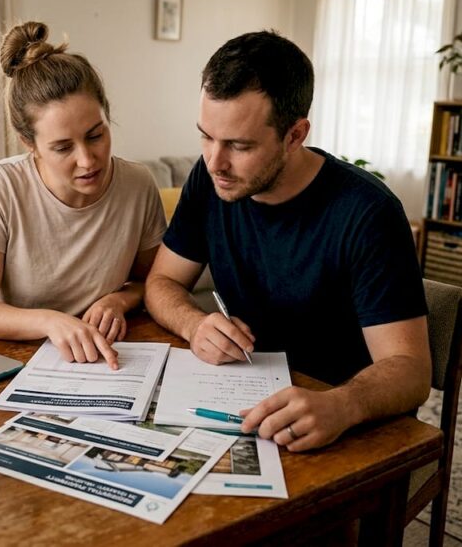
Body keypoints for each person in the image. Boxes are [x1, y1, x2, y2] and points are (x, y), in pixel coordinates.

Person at [144, 30, 431, 452]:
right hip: (246, 400)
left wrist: (342, 404)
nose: (214, 161)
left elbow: (410, 370)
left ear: (295, 135)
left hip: (341, 419)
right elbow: (161, 282)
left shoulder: (368, 214)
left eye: (239, 145)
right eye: (206, 135)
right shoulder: (210, 183)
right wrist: (194, 324)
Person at [0, 22, 166, 370]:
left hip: (103, 360)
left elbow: (151, 282)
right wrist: (50, 322)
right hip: (12, 363)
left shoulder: (138, 184)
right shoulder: (0, 186)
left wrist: (118, 301)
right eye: (62, 147)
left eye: (96, 135)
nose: (87, 160)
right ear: (29, 144)